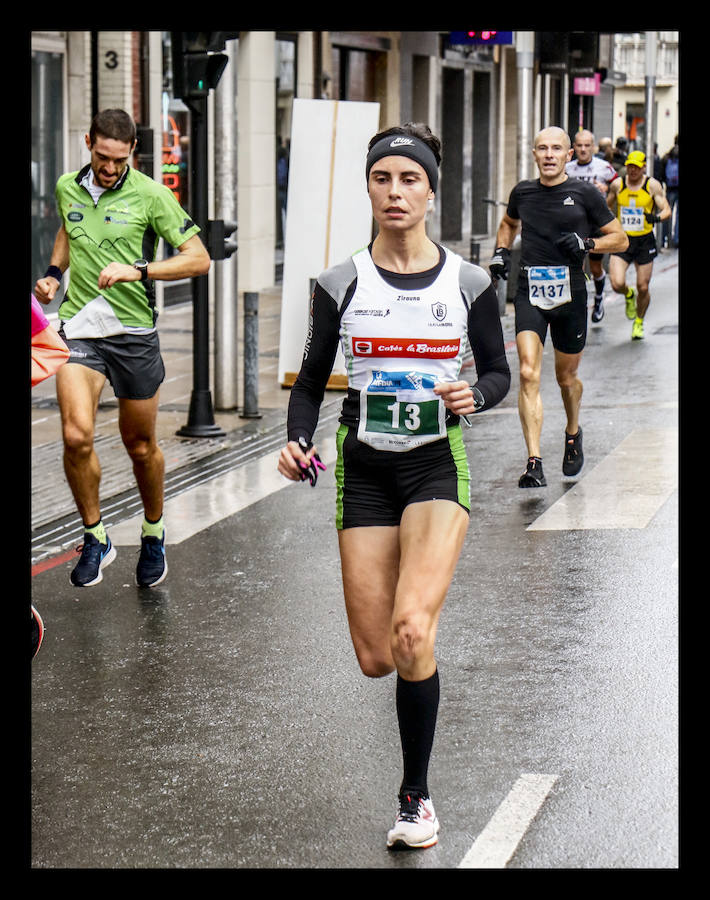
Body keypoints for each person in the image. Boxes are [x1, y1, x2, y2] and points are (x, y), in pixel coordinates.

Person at [278, 123, 510, 850]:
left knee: (413, 630)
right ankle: (419, 654)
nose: (395, 192)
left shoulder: (468, 283)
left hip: (437, 464)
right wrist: (295, 439)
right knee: (378, 654)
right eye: (383, 179)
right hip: (366, 468)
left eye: (410, 180)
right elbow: (312, 380)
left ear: (430, 192)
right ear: (369, 189)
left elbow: (497, 372)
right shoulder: (340, 282)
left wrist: (478, 395)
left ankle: (416, 797)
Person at [33, 109, 211, 588]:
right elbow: (70, 229)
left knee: (139, 444)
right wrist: (53, 274)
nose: (109, 168)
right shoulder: (68, 184)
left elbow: (199, 259)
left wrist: (140, 270)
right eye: (101, 157)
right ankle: (96, 536)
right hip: (80, 328)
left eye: (118, 159)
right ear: (89, 143)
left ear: (132, 150)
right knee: (75, 436)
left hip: (133, 332)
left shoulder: (152, 195)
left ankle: (153, 532)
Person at [490, 126, 628, 489]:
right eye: (542, 148)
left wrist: (587, 243)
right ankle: (534, 461)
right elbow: (508, 223)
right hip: (530, 290)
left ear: (569, 155)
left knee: (564, 378)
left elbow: (620, 238)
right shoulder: (523, 192)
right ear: (533, 154)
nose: (549, 154)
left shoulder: (584, 194)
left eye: (557, 149)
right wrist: (501, 251)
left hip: (571, 293)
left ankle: (572, 430)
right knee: (528, 372)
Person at [607, 150, 671, 341]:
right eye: (629, 166)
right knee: (617, 283)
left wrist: (656, 218)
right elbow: (605, 206)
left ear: (643, 167)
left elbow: (666, 209)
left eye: (636, 166)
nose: (632, 170)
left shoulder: (652, 185)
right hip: (623, 239)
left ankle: (639, 323)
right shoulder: (618, 185)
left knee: (643, 286)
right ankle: (628, 294)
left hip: (644, 240)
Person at [565, 130, 619, 322]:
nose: (583, 149)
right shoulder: (567, 168)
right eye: (579, 145)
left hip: (595, 223)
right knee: (576, 266)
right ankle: (576, 305)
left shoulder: (604, 167)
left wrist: (606, 190)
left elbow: (618, 185)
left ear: (593, 147)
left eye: (587, 145)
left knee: (595, 267)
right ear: (573, 148)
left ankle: (598, 297)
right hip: (574, 223)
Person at [661, 137, 679, 249]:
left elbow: (662, 173)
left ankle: (663, 239)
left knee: (667, 213)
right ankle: (676, 240)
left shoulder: (667, 156)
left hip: (670, 189)